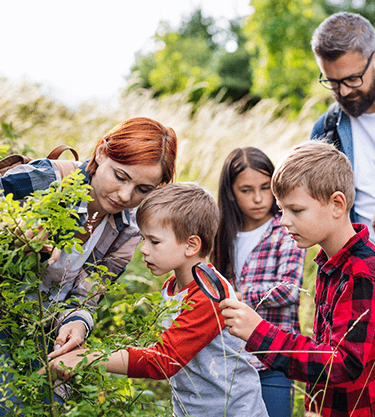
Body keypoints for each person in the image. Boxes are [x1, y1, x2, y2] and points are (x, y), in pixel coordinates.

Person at [0, 117, 177, 412]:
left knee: (49, 405)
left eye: (142, 189)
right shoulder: (46, 180)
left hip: (39, 333)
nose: (125, 195)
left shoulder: (128, 229)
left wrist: (77, 324)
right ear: (101, 153)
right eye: (120, 176)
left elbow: (87, 295)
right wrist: (10, 227)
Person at [49, 182, 269, 417]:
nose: (143, 249)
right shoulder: (172, 287)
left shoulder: (208, 294)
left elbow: (163, 361)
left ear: (191, 245)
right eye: (143, 238)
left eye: (154, 241)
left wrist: (87, 358)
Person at [220, 141, 375, 417]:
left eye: (296, 210)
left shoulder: (361, 272)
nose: (284, 221)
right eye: (281, 210)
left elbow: (341, 364)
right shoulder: (331, 264)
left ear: (337, 204)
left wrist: (260, 333)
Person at [211, 147, 305, 417]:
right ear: (230, 192)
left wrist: (237, 296)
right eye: (246, 190)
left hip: (272, 359)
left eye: (266, 188)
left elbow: (289, 289)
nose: (258, 198)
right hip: (230, 361)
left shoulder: (287, 230)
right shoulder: (222, 234)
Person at [310, 12, 375, 244]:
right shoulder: (325, 130)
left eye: (352, 79)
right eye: (333, 83)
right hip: (361, 273)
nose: (345, 92)